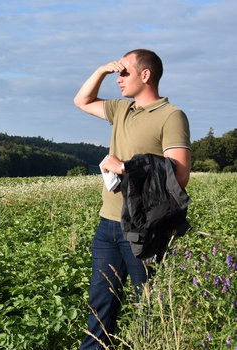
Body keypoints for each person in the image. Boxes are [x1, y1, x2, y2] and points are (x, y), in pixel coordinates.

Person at [73, 49, 191, 349]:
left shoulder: (172, 116)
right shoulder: (122, 110)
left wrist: (124, 167)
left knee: (149, 308)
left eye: (124, 72)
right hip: (108, 225)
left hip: (145, 227)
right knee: (99, 309)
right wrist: (101, 70)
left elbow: (179, 175)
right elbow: (82, 101)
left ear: (146, 75)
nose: (119, 78)